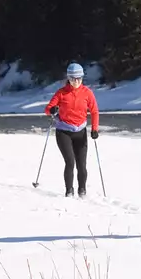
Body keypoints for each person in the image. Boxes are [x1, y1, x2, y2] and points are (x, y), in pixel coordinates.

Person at [45, 62, 99, 198]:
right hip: (64, 132)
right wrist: (52, 109)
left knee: (82, 164)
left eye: (79, 78)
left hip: (80, 132)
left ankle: (82, 191)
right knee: (70, 162)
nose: (77, 81)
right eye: (74, 78)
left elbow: (94, 112)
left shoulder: (87, 93)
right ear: (68, 78)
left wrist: (94, 129)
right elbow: (48, 109)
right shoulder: (61, 93)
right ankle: (69, 191)